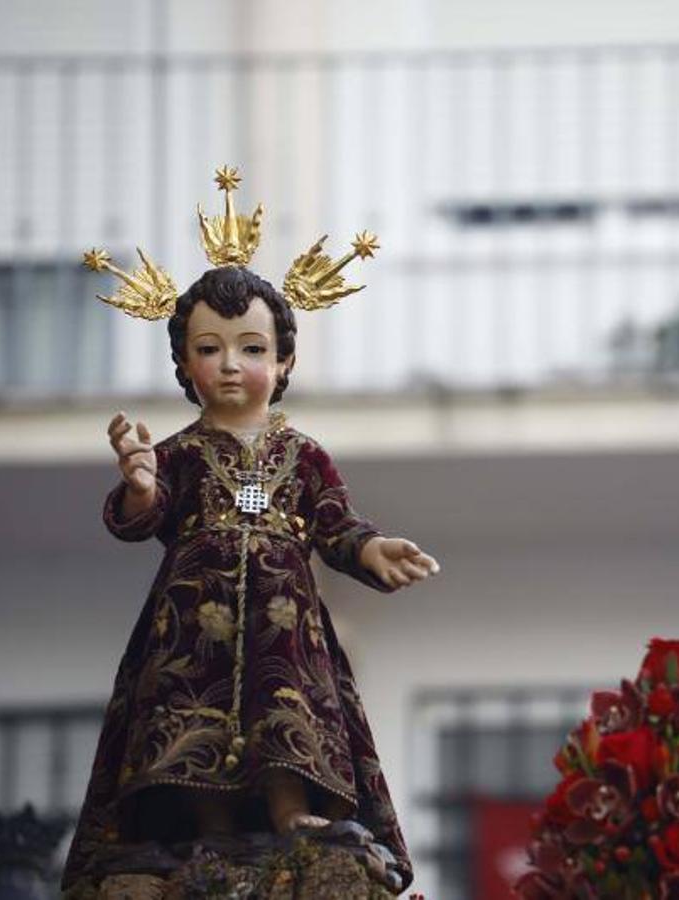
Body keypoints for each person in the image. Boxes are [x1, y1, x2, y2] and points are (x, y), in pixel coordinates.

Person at [60, 172, 435, 896]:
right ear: (184, 364)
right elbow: (143, 515)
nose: (231, 364)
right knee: (185, 705)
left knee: (285, 701)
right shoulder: (177, 450)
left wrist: (369, 549)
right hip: (191, 612)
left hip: (282, 613)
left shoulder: (303, 454)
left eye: (251, 348)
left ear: (283, 360)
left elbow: (334, 521)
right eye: (211, 348)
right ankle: (207, 826)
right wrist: (139, 486)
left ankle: (293, 811)